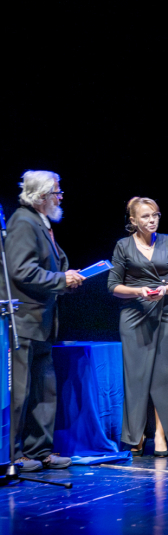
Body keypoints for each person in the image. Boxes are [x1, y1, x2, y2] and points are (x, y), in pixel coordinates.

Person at [4, 170, 82, 472]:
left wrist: (66, 277)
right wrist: (60, 279)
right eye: (56, 193)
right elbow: (21, 271)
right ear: (40, 196)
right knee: (20, 392)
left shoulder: (41, 222)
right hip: (23, 320)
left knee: (44, 391)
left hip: (43, 321)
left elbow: (50, 264)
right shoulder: (23, 222)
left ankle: (40, 449)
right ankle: (14, 453)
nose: (59, 198)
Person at [107, 197, 168, 457]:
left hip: (165, 312)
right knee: (136, 377)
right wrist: (138, 291)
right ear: (133, 221)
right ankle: (136, 433)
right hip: (134, 314)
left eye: (155, 215)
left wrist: (164, 289)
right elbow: (113, 286)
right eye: (145, 217)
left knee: (163, 376)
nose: (152, 220)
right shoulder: (123, 246)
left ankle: (160, 434)